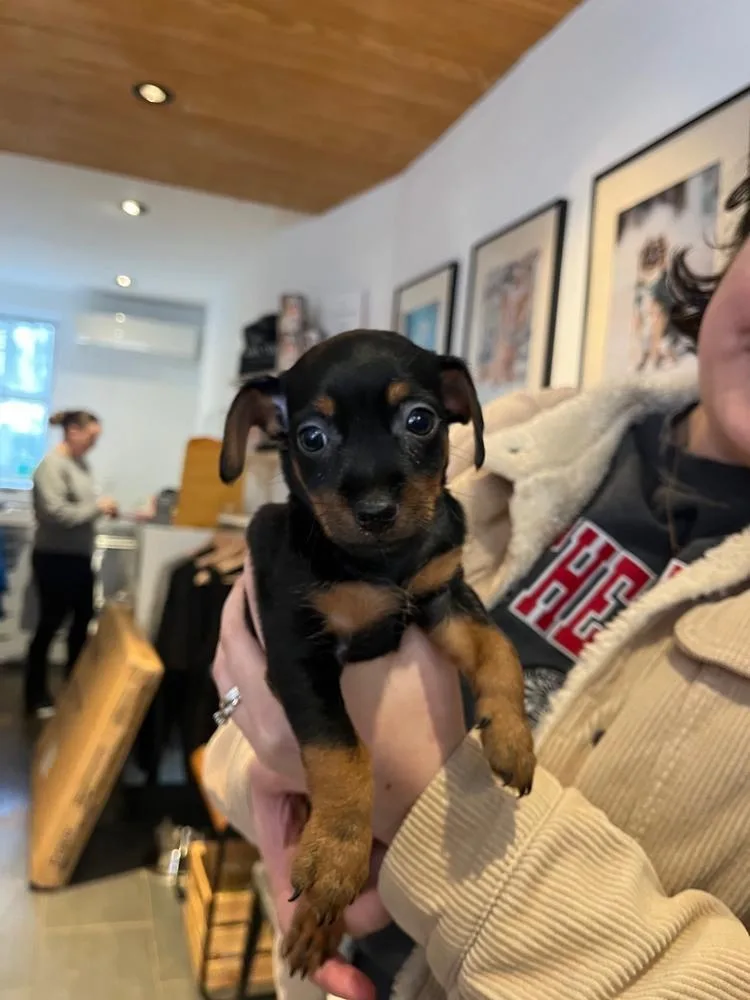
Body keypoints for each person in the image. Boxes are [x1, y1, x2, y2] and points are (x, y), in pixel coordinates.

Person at [202, 173, 750, 1000]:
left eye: (418, 423)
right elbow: (239, 730)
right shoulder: (530, 439)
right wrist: (274, 793)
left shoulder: (442, 513)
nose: (379, 494)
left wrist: (417, 796)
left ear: (451, 411)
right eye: (315, 435)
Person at [24, 409, 117, 718]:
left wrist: (101, 509)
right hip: (54, 558)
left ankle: (75, 687)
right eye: (91, 437)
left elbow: (79, 509)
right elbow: (56, 513)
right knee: (50, 624)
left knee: (82, 621)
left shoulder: (80, 465)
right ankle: (35, 695)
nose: (94, 444)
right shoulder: (51, 466)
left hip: (77, 557)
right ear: (73, 432)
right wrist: (97, 507)